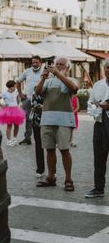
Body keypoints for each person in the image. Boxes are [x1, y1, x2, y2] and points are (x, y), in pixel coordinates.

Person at [34, 57, 78, 192]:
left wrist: (58, 74)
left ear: (67, 67)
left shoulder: (71, 80)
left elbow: (74, 88)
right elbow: (38, 92)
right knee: (49, 149)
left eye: (61, 64)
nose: (58, 66)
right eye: (57, 64)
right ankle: (51, 177)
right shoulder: (48, 81)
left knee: (65, 150)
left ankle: (68, 179)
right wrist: (43, 77)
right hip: (47, 119)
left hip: (64, 121)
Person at [85, 59, 109, 198]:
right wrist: (95, 107)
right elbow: (90, 102)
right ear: (104, 69)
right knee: (99, 158)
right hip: (100, 125)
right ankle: (98, 188)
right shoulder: (98, 85)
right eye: (108, 67)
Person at [17, 55, 44, 145]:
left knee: (42, 118)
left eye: (36, 62)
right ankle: (27, 138)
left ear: (40, 62)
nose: (35, 64)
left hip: (41, 99)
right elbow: (18, 82)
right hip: (28, 99)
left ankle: (42, 138)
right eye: (33, 62)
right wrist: (20, 93)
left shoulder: (44, 71)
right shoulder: (27, 71)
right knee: (28, 119)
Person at [0, 80, 26, 146]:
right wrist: (2, 105)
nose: (15, 87)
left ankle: (14, 139)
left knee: (17, 125)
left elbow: (18, 99)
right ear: (10, 87)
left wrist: (19, 104)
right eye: (14, 86)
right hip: (8, 111)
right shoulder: (4, 93)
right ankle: (8, 141)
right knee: (9, 126)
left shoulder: (16, 93)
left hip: (15, 110)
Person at [30, 92, 46, 179]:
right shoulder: (37, 91)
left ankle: (52, 171)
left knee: (51, 146)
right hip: (37, 121)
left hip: (51, 120)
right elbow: (35, 105)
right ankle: (40, 169)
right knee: (39, 145)